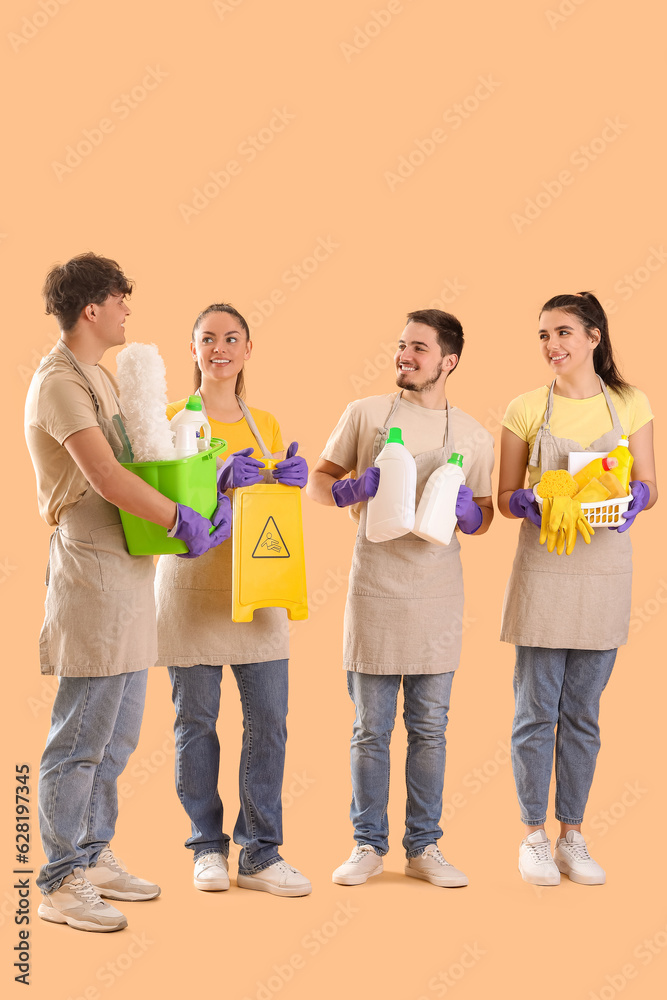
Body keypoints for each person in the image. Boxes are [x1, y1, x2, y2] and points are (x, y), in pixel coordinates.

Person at [25, 253, 231, 933]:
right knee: (78, 738)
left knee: (114, 737)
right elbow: (109, 477)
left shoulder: (101, 379)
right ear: (92, 309)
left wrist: (214, 476)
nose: (126, 312)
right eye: (120, 301)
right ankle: (57, 881)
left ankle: (91, 851)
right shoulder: (59, 383)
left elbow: (145, 458)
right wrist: (180, 519)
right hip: (90, 573)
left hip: (127, 570)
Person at [308, 309, 494, 887]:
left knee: (431, 728)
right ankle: (367, 843)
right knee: (370, 728)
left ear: (449, 361)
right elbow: (317, 481)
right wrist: (347, 490)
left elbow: (485, 515)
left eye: (418, 348)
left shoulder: (474, 435)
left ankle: (424, 846)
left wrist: (469, 513)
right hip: (375, 592)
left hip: (437, 597)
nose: (404, 357)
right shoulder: (364, 414)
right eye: (401, 346)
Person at [498, 291, 657, 886]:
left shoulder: (630, 403)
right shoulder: (525, 409)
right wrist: (534, 502)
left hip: (605, 572)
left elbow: (649, 483)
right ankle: (533, 837)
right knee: (536, 710)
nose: (551, 346)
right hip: (545, 572)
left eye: (562, 333)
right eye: (542, 335)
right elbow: (505, 495)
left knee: (583, 712)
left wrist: (637, 499)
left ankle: (574, 835)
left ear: (594, 337)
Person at [155, 303, 311, 897]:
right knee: (196, 723)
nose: (219, 348)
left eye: (231, 338)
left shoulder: (264, 422)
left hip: (260, 587)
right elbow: (158, 498)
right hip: (191, 588)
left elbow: (268, 508)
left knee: (268, 722)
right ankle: (207, 847)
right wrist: (217, 477)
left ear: (248, 350)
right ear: (191, 349)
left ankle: (261, 853)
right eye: (207, 339)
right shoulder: (170, 418)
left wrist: (286, 477)